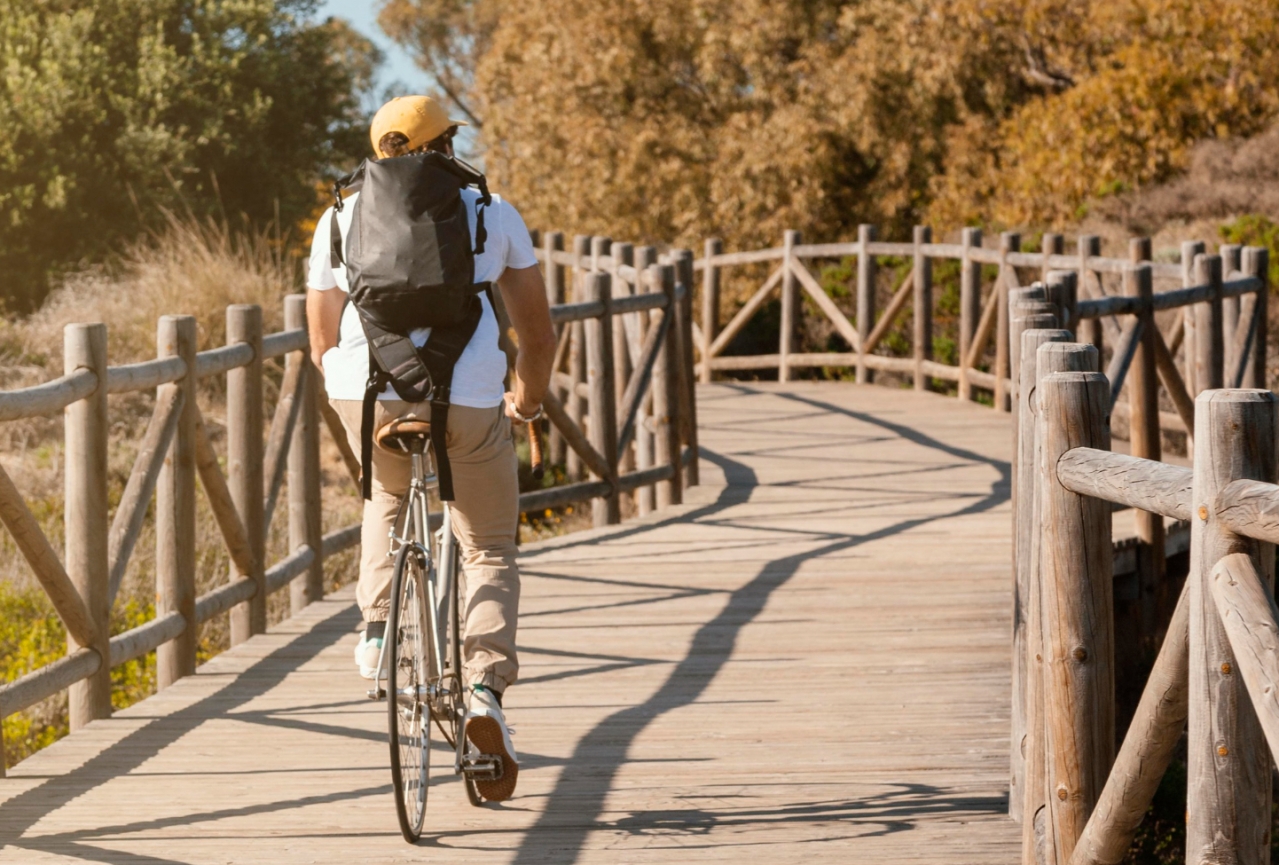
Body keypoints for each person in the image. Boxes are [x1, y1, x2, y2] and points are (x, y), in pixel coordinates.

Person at [305, 95, 556, 802]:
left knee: (387, 492)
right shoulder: (492, 212)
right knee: (488, 547)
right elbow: (537, 334)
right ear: (445, 145)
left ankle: (377, 629)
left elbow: (321, 340)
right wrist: (526, 401)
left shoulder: (336, 218)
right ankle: (483, 690)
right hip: (469, 397)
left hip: (367, 392)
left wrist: (347, 386)